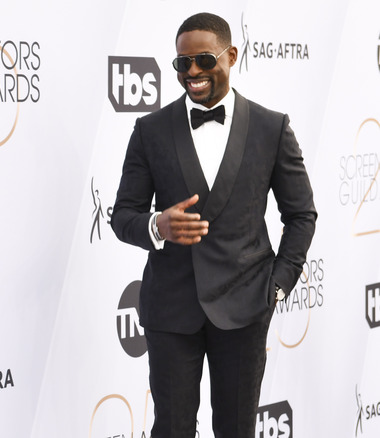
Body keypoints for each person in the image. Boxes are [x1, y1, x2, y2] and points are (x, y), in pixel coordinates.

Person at [110, 12, 316, 437]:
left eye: (204, 60)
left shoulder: (270, 127)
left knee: (237, 429)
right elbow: (122, 215)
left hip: (246, 307)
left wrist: (276, 286)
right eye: (182, 64)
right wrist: (157, 226)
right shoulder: (150, 130)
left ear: (231, 56)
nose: (193, 73)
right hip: (171, 308)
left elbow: (301, 215)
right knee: (171, 428)